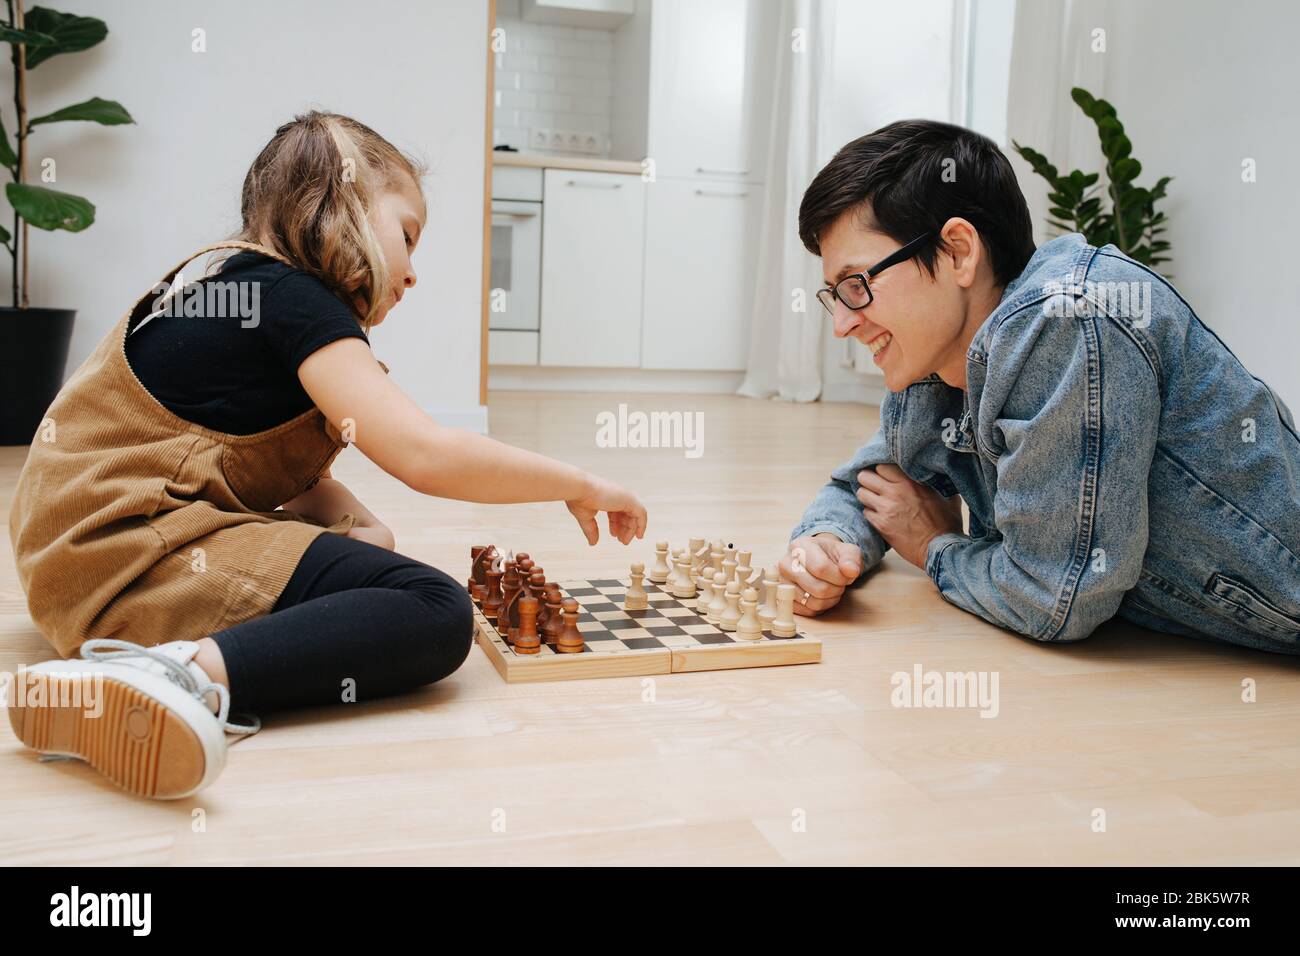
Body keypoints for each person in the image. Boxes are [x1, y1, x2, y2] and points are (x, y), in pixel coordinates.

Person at [6, 111, 647, 799]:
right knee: (435, 608)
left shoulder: (241, 291)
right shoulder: (293, 301)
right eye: (407, 235)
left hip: (83, 559)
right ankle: (173, 677)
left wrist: (367, 533)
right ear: (342, 205)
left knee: (384, 577)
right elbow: (425, 455)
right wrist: (575, 481)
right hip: (125, 553)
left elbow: (297, 480)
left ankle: (158, 664)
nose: (412, 276)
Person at [780, 119, 1300, 654]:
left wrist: (933, 546)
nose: (842, 323)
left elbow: (1054, 597)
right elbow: (871, 486)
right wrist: (826, 545)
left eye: (856, 285)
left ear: (958, 251)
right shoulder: (935, 356)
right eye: (834, 295)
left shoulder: (1067, 319)